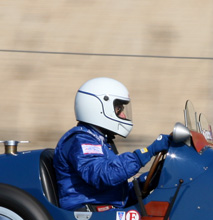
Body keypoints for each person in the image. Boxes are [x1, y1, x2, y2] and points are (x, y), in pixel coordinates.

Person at [53, 77, 169, 210]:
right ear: (99, 107)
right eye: (119, 109)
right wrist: (147, 152)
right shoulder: (81, 140)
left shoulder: (100, 140)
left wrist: (148, 180)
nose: (124, 116)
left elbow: (116, 192)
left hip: (104, 209)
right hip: (89, 215)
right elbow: (103, 176)